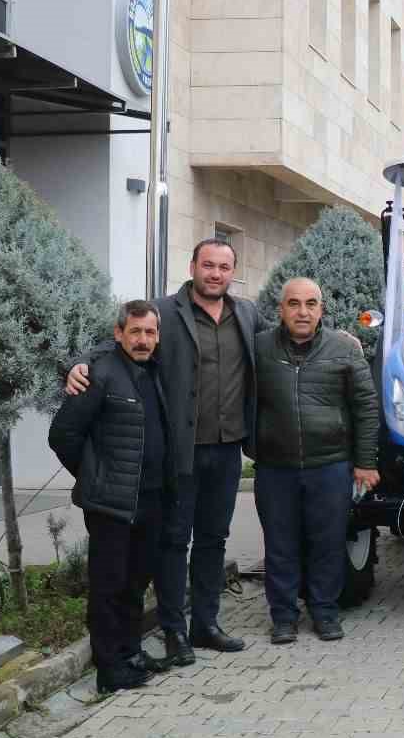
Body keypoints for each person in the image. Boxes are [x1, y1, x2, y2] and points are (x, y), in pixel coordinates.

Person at [67, 239, 261, 665]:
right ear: (192, 266)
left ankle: (206, 624)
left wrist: (343, 338)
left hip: (229, 450)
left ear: (233, 272)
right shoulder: (163, 312)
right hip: (180, 451)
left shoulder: (246, 314)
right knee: (174, 542)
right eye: (208, 265)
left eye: (224, 267)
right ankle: (175, 631)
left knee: (214, 540)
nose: (215, 274)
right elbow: (114, 341)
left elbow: (280, 341)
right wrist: (80, 362)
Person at [48, 300, 174, 694]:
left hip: (151, 499)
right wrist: (94, 475)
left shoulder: (155, 371)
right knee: (109, 585)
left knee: (136, 582)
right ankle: (108, 668)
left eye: (150, 332)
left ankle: (130, 652)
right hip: (112, 504)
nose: (143, 340)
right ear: (119, 333)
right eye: (135, 331)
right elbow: (62, 435)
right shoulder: (98, 374)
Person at [251, 277, 380, 644]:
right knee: (280, 545)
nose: (302, 312)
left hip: (331, 465)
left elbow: (366, 408)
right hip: (276, 467)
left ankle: (325, 612)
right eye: (294, 304)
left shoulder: (344, 349)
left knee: (327, 542)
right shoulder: (259, 349)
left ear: (321, 310)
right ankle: (283, 617)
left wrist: (365, 462)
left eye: (311, 304)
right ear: (281, 310)